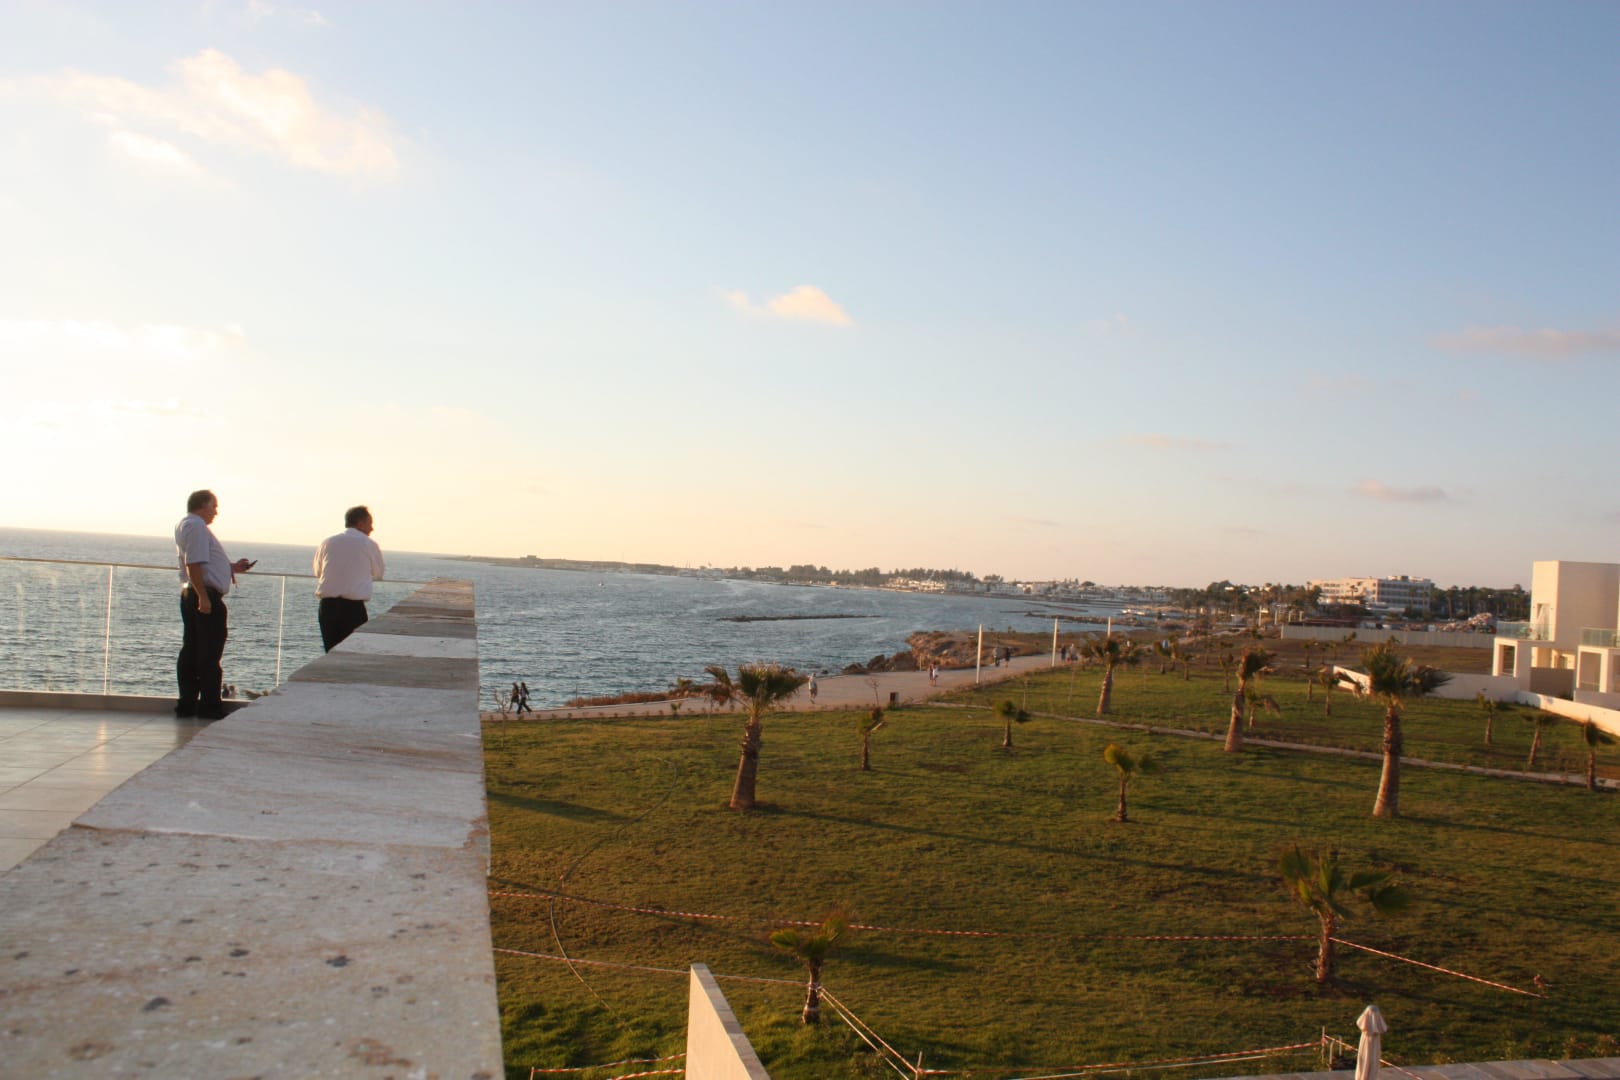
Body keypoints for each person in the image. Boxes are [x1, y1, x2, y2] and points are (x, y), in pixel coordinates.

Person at [175, 489, 254, 720]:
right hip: (203, 595)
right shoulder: (197, 526)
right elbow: (193, 564)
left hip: (192, 593)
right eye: (213, 506)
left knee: (191, 649)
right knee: (209, 654)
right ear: (202, 505)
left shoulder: (186, 524)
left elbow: (201, 563)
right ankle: (209, 707)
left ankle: (187, 704)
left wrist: (231, 567)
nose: (216, 512)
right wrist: (204, 597)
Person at [313, 505, 387, 652]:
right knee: (353, 654)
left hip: (327, 607)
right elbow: (379, 573)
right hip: (353, 609)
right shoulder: (369, 544)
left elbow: (318, 571)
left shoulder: (328, 542)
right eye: (370, 523)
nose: (372, 528)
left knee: (331, 653)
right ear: (360, 523)